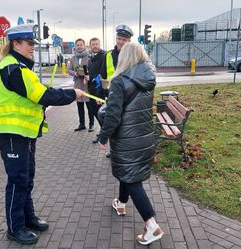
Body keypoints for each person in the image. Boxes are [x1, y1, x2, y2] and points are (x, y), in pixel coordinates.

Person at [0, 24, 84, 245]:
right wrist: (74, 93)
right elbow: (42, 95)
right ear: (16, 44)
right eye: (30, 43)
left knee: (26, 179)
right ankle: (15, 228)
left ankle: (28, 218)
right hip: (12, 135)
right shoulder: (11, 68)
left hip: (24, 133)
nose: (33, 47)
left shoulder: (20, 67)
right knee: (17, 181)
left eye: (34, 43)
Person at [98, 42, 164, 245]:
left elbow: (114, 115)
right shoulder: (148, 78)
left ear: (124, 57)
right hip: (144, 135)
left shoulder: (119, 80)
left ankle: (152, 225)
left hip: (126, 138)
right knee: (127, 172)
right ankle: (121, 202)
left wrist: (103, 137)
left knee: (132, 180)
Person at [100, 24, 133, 156]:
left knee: (124, 124)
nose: (120, 42)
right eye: (119, 38)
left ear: (129, 41)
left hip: (128, 96)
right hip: (111, 94)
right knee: (110, 120)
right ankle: (114, 149)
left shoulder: (132, 55)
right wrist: (102, 95)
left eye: (124, 40)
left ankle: (124, 149)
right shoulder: (108, 55)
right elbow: (103, 76)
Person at [68, 38, 94, 132]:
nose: (79, 46)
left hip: (87, 84)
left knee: (89, 106)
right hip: (78, 84)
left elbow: (93, 69)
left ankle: (91, 124)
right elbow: (69, 70)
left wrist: (88, 75)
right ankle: (82, 124)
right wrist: (74, 73)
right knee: (80, 106)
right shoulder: (73, 58)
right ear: (76, 46)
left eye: (81, 45)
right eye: (77, 45)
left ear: (84, 46)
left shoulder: (89, 56)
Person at [84, 38, 105, 143]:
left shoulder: (104, 56)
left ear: (99, 44)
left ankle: (103, 133)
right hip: (91, 90)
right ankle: (103, 131)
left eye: (97, 44)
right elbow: (90, 72)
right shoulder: (90, 58)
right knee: (94, 111)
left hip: (100, 90)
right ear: (90, 46)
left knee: (100, 112)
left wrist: (91, 77)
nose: (95, 46)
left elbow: (102, 73)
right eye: (93, 44)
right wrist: (86, 78)